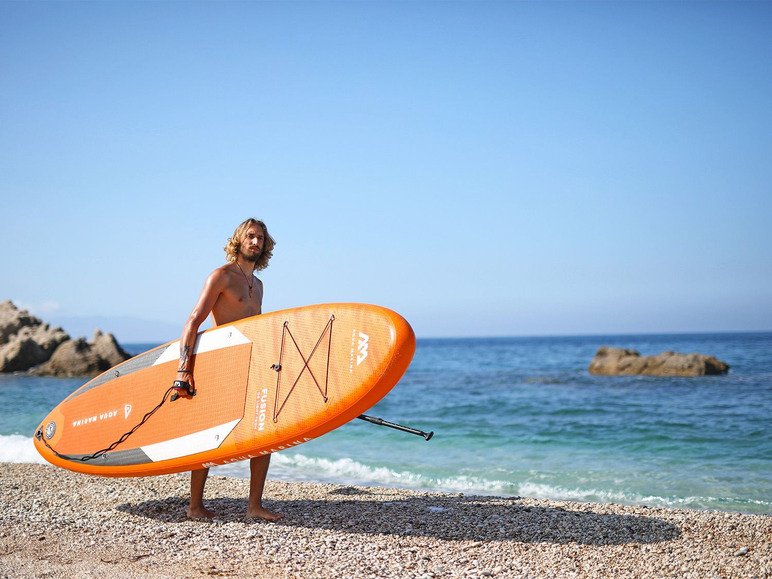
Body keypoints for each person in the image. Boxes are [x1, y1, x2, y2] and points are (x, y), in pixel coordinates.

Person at [175, 217, 283, 521]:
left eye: (260, 238)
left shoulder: (258, 286)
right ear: (239, 240)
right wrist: (183, 369)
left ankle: (254, 506)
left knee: (264, 433)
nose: (256, 242)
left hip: (251, 364)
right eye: (251, 236)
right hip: (221, 365)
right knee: (210, 434)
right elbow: (193, 321)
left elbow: (257, 329)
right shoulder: (221, 276)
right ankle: (194, 506)